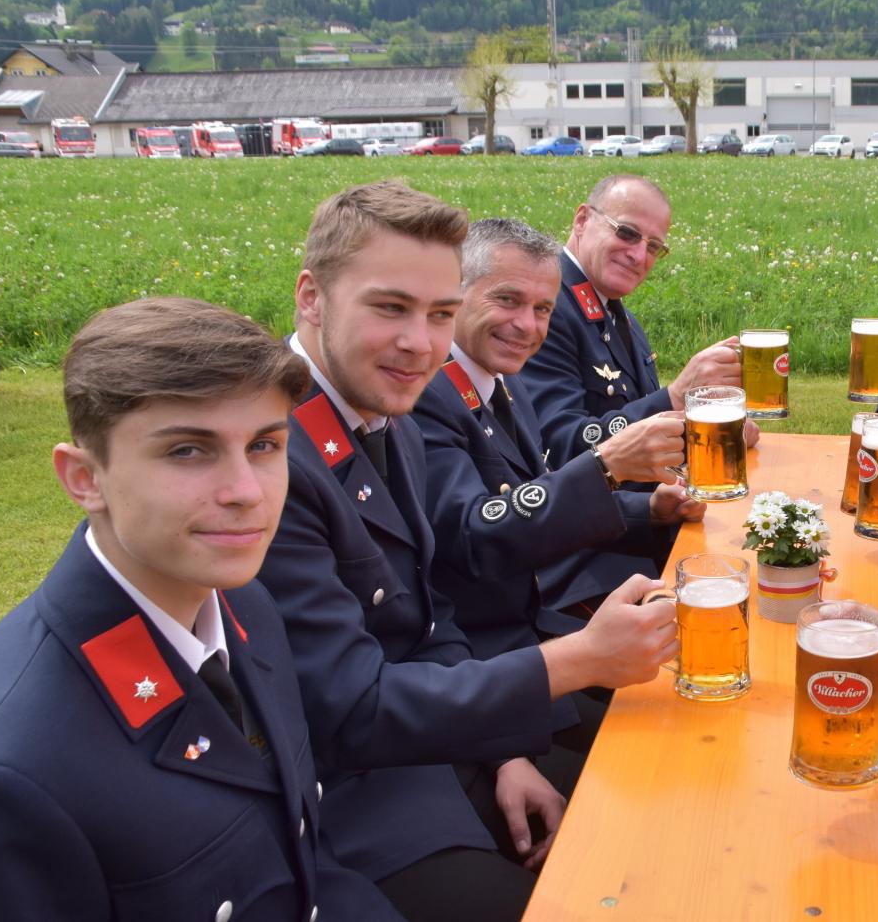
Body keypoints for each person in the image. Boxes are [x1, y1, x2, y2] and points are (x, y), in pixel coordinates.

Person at [259, 180, 678, 921]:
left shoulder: (386, 414)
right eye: (390, 308)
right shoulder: (265, 455)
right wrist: (579, 658)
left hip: (442, 732)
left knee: (654, 804)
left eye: (438, 314)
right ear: (311, 298)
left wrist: (501, 751)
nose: (421, 342)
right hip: (348, 797)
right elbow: (349, 708)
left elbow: (430, 613)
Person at [0, 297, 398, 919]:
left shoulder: (244, 605)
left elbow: (301, 862)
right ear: (85, 478)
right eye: (187, 451)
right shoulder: (10, 768)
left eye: (264, 445)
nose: (246, 492)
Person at [412, 218, 703, 758]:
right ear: (455, 294)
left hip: (529, 632)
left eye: (543, 309)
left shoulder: (502, 379)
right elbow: (477, 537)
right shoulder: (426, 393)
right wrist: (606, 465)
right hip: (483, 662)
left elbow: (533, 493)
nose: (527, 325)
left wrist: (650, 509)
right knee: (665, 736)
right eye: (507, 300)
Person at [518, 175, 757, 612]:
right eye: (627, 233)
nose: (639, 255)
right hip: (583, 561)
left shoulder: (614, 312)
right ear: (582, 220)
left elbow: (636, 428)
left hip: (637, 525)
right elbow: (559, 447)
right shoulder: (546, 309)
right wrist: (675, 396)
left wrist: (705, 426)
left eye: (654, 246)